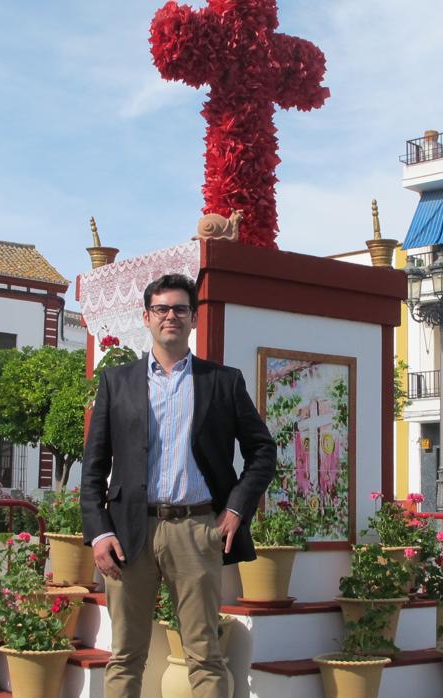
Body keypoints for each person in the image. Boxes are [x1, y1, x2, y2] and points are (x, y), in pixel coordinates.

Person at [79, 273, 276, 698]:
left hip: (196, 529)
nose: (171, 316)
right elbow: (93, 466)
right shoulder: (117, 382)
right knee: (125, 655)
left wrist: (236, 509)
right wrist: (99, 531)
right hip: (128, 533)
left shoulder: (222, 381)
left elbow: (262, 451)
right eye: (162, 309)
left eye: (180, 309)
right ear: (147, 317)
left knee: (205, 655)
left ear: (193, 318)